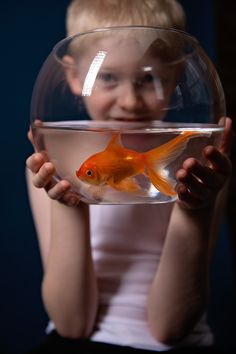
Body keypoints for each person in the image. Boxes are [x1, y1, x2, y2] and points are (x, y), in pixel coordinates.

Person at [25, 1, 233, 353]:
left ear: (177, 76)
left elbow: (171, 328)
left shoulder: (196, 157)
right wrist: (70, 202)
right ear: (75, 77)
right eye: (107, 77)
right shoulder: (58, 156)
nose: (130, 101)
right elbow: (71, 324)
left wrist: (193, 208)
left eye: (149, 78)